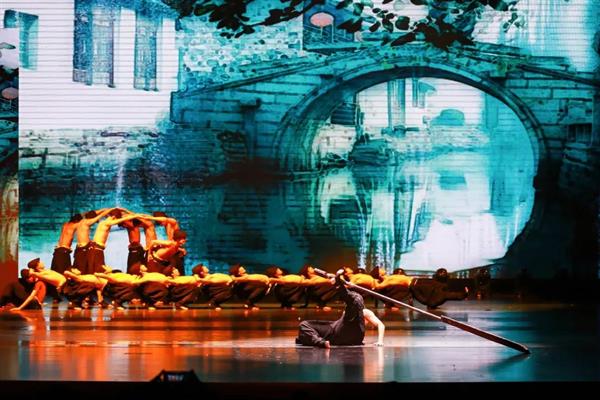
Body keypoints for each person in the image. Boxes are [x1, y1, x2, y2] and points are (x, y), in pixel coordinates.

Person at [296, 270, 385, 348]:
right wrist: (341, 283)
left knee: (355, 298)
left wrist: (380, 341)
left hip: (348, 334)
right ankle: (321, 342)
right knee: (304, 325)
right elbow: (347, 294)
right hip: (341, 335)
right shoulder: (354, 309)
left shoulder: (364, 311)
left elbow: (380, 325)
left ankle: (338, 284)